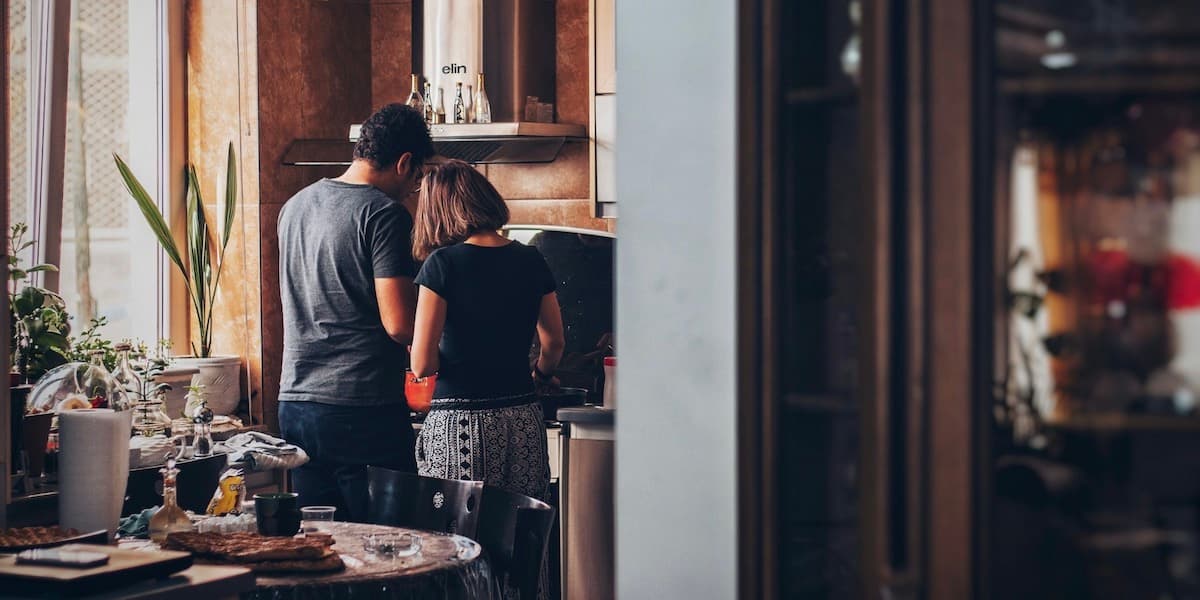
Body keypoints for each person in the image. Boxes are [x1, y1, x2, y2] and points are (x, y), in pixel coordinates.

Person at [276, 103, 434, 521]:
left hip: (296, 404)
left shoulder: (294, 207)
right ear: (404, 163)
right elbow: (400, 325)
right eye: (417, 178)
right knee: (391, 551)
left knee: (324, 547)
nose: (413, 189)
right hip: (359, 409)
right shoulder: (383, 215)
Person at [409, 160, 565, 502]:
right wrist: (540, 376)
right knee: (521, 534)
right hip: (523, 418)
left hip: (460, 425)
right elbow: (553, 342)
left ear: (437, 211)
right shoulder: (531, 258)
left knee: (457, 541)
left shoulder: (442, 264)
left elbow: (422, 365)